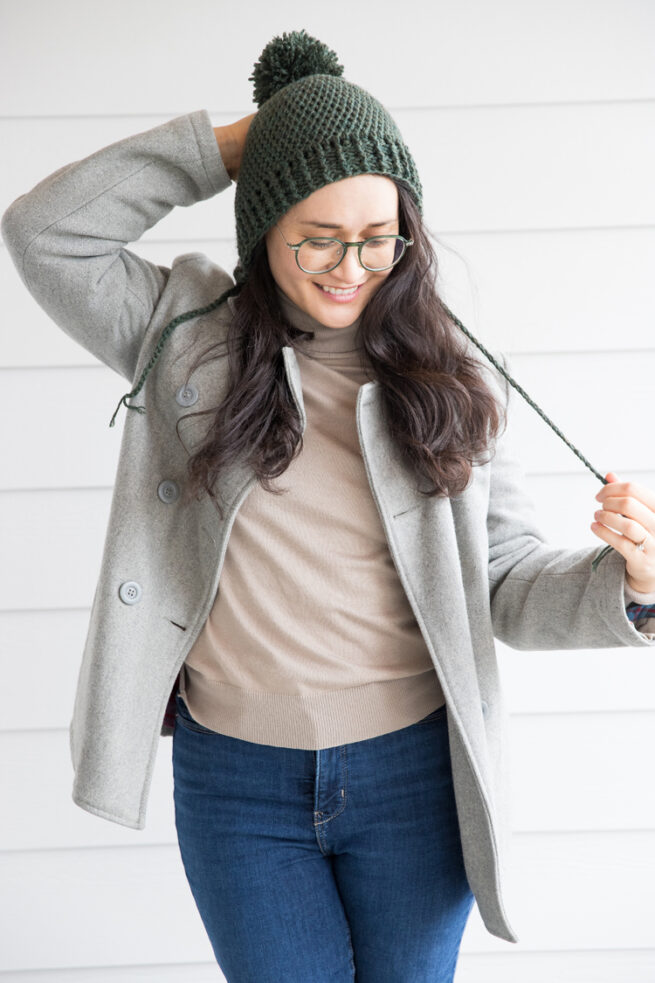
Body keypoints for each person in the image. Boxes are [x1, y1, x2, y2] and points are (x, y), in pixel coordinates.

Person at [3, 28, 655, 983]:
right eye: (316, 235)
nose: (352, 264)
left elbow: (507, 588)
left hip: (416, 779)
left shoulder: (456, 377)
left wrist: (631, 581)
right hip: (236, 783)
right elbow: (44, 230)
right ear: (261, 224)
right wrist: (237, 145)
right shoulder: (180, 335)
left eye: (378, 236)